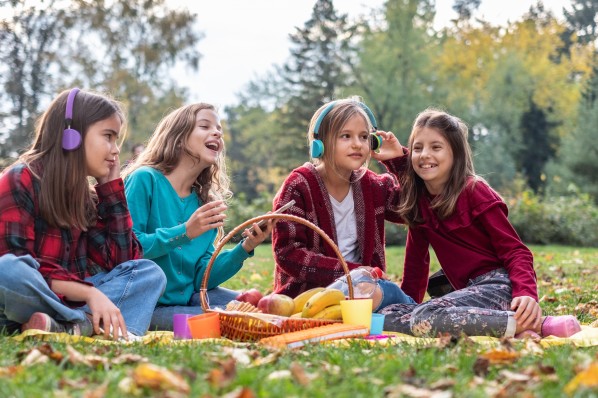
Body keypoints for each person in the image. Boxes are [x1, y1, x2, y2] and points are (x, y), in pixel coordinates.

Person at [379, 108, 582, 338]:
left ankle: (533, 324)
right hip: (469, 294)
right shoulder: (419, 204)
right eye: (418, 148)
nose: (425, 154)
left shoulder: (474, 191)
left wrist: (526, 293)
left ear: (455, 154)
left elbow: (516, 251)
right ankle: (512, 327)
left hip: (500, 287)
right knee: (387, 314)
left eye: (436, 147)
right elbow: (416, 265)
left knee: (425, 316)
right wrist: (409, 304)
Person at [0, 88, 166, 340]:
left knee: (149, 273)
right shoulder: (21, 178)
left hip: (68, 299)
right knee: (8, 269)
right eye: (108, 137)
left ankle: (64, 325)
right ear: (71, 136)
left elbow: (122, 263)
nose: (115, 150)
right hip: (21, 298)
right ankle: (83, 323)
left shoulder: (86, 196)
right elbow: (17, 260)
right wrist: (89, 294)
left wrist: (111, 191)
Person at [122, 103, 272, 331]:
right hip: (146, 305)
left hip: (189, 299)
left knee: (256, 308)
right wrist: (186, 232)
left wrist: (245, 247)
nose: (217, 133)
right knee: (226, 319)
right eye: (205, 126)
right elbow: (127, 248)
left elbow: (203, 278)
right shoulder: (144, 180)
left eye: (219, 129)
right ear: (179, 138)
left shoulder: (204, 203)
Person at [271, 97, 415, 311]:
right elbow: (288, 253)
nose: (357, 143)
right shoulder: (299, 186)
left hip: (363, 292)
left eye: (364, 137)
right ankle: (417, 313)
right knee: (393, 295)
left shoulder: (373, 186)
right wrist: (353, 272)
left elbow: (411, 210)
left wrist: (399, 161)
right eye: (346, 136)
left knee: (386, 295)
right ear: (319, 144)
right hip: (308, 297)